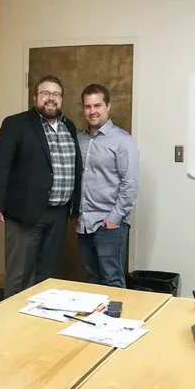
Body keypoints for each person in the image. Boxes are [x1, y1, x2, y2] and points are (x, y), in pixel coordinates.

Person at [0, 74, 82, 298]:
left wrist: (74, 206)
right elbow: (0, 166)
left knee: (48, 277)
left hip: (58, 214)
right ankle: (12, 325)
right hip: (25, 214)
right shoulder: (16, 124)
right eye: (45, 93)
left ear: (62, 99)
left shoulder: (69, 126)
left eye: (56, 94)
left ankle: (38, 326)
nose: (51, 98)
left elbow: (74, 167)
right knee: (20, 275)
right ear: (35, 97)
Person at [73, 84, 139, 289]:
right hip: (84, 223)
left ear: (108, 106)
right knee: (93, 281)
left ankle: (119, 321)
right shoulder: (79, 140)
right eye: (87, 106)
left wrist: (114, 218)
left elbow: (130, 183)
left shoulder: (122, 141)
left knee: (113, 280)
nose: (92, 111)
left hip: (108, 223)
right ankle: (96, 321)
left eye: (97, 105)